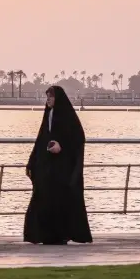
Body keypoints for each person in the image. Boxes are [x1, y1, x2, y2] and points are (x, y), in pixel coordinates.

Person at [24, 85, 92, 245]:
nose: (48, 99)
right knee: (42, 197)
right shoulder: (48, 115)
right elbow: (41, 139)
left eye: (51, 97)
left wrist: (61, 147)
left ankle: (60, 235)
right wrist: (32, 162)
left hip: (62, 168)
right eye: (47, 96)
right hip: (47, 167)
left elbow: (77, 138)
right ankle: (42, 235)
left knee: (60, 200)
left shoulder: (67, 116)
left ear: (58, 98)